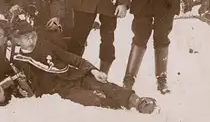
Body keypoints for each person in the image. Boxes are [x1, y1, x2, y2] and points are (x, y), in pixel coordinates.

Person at [9, 19, 158, 114]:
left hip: (75, 76)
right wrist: (23, 83)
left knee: (105, 85)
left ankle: (138, 102)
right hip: (61, 90)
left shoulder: (46, 45)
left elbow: (73, 59)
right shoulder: (19, 61)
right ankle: (120, 107)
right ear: (17, 40)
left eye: (33, 35)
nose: (32, 40)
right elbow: (30, 89)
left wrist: (94, 70)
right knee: (93, 100)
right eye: (26, 38)